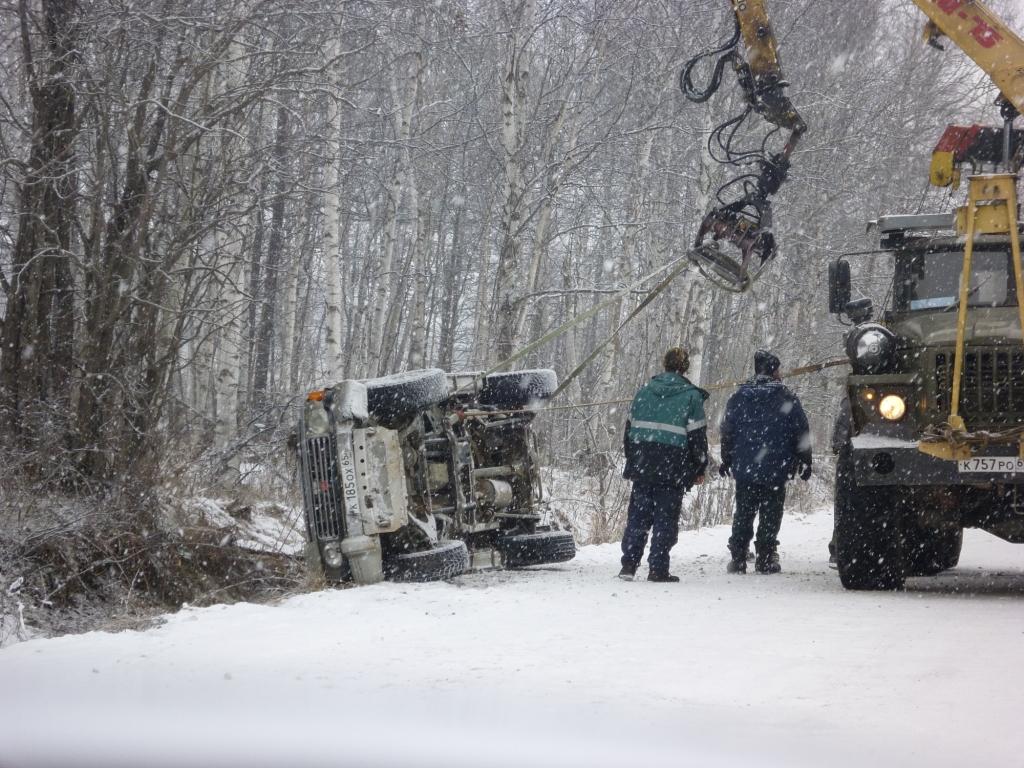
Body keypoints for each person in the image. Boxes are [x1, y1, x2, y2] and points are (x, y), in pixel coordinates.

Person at [619, 347, 709, 583]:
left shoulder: (643, 392)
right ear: (685, 368)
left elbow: (629, 432)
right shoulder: (691, 397)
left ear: (665, 364)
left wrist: (633, 458)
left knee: (638, 516)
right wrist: (699, 467)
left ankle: (628, 565)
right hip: (672, 466)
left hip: (643, 462)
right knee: (665, 519)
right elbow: (697, 437)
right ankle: (658, 569)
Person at [719, 350, 811, 574]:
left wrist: (727, 458)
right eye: (778, 369)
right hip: (776, 466)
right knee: (771, 514)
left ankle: (738, 557)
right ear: (773, 371)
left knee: (744, 511)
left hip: (745, 465)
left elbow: (728, 431)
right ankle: (766, 556)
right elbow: (801, 430)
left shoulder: (739, 397)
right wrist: (805, 460)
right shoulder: (786, 397)